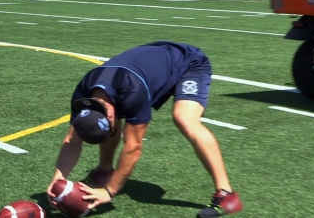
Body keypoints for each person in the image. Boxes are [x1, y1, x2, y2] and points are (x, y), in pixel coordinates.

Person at [46, 41, 243, 218]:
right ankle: (105, 171)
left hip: (187, 63)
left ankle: (226, 194)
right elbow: (72, 140)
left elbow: (134, 147)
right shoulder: (83, 96)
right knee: (114, 123)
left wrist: (109, 192)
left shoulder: (132, 92)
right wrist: (58, 179)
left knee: (184, 119)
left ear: (110, 114)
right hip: (143, 68)